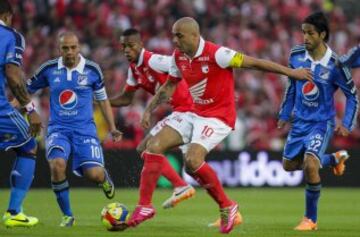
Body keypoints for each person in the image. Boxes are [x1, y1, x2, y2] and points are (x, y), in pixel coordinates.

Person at [128, 17, 312, 234]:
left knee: (192, 160)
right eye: (173, 35)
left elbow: (256, 63)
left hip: (218, 117)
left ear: (195, 36)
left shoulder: (218, 54)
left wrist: (291, 73)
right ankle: (145, 206)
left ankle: (228, 206)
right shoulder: (179, 57)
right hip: (194, 113)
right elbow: (170, 85)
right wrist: (149, 110)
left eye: (179, 35)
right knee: (153, 145)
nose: (174, 40)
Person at [25, 32, 123, 227]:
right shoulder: (49, 69)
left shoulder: (93, 70)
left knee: (93, 174)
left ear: (79, 48)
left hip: (85, 130)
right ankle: (68, 215)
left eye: (73, 47)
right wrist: (16, 109)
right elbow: (24, 91)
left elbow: (102, 100)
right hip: (58, 129)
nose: (69, 52)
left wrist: (112, 127)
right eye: (65, 48)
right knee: (57, 165)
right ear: (59, 49)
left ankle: (104, 179)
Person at [277, 12, 358, 231]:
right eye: (303, 32)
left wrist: (347, 122)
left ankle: (310, 219)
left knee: (311, 164)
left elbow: (352, 95)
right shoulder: (295, 55)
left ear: (322, 34)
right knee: (289, 165)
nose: (305, 37)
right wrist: (285, 114)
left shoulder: (336, 64)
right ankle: (333, 159)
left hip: (321, 123)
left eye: (310, 33)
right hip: (299, 123)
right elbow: (291, 86)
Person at [110, 28, 195, 209]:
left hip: (189, 110)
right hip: (178, 111)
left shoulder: (154, 60)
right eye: (123, 46)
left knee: (154, 149)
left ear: (141, 45)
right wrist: (101, 101)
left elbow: (181, 63)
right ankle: (180, 186)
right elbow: (126, 98)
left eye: (131, 46)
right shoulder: (134, 70)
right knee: (143, 148)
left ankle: (176, 188)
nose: (126, 50)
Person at [0, 0, 42, 228]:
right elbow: (13, 75)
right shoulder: (10, 36)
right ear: (7, 15)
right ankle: (14, 211)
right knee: (28, 145)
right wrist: (30, 109)